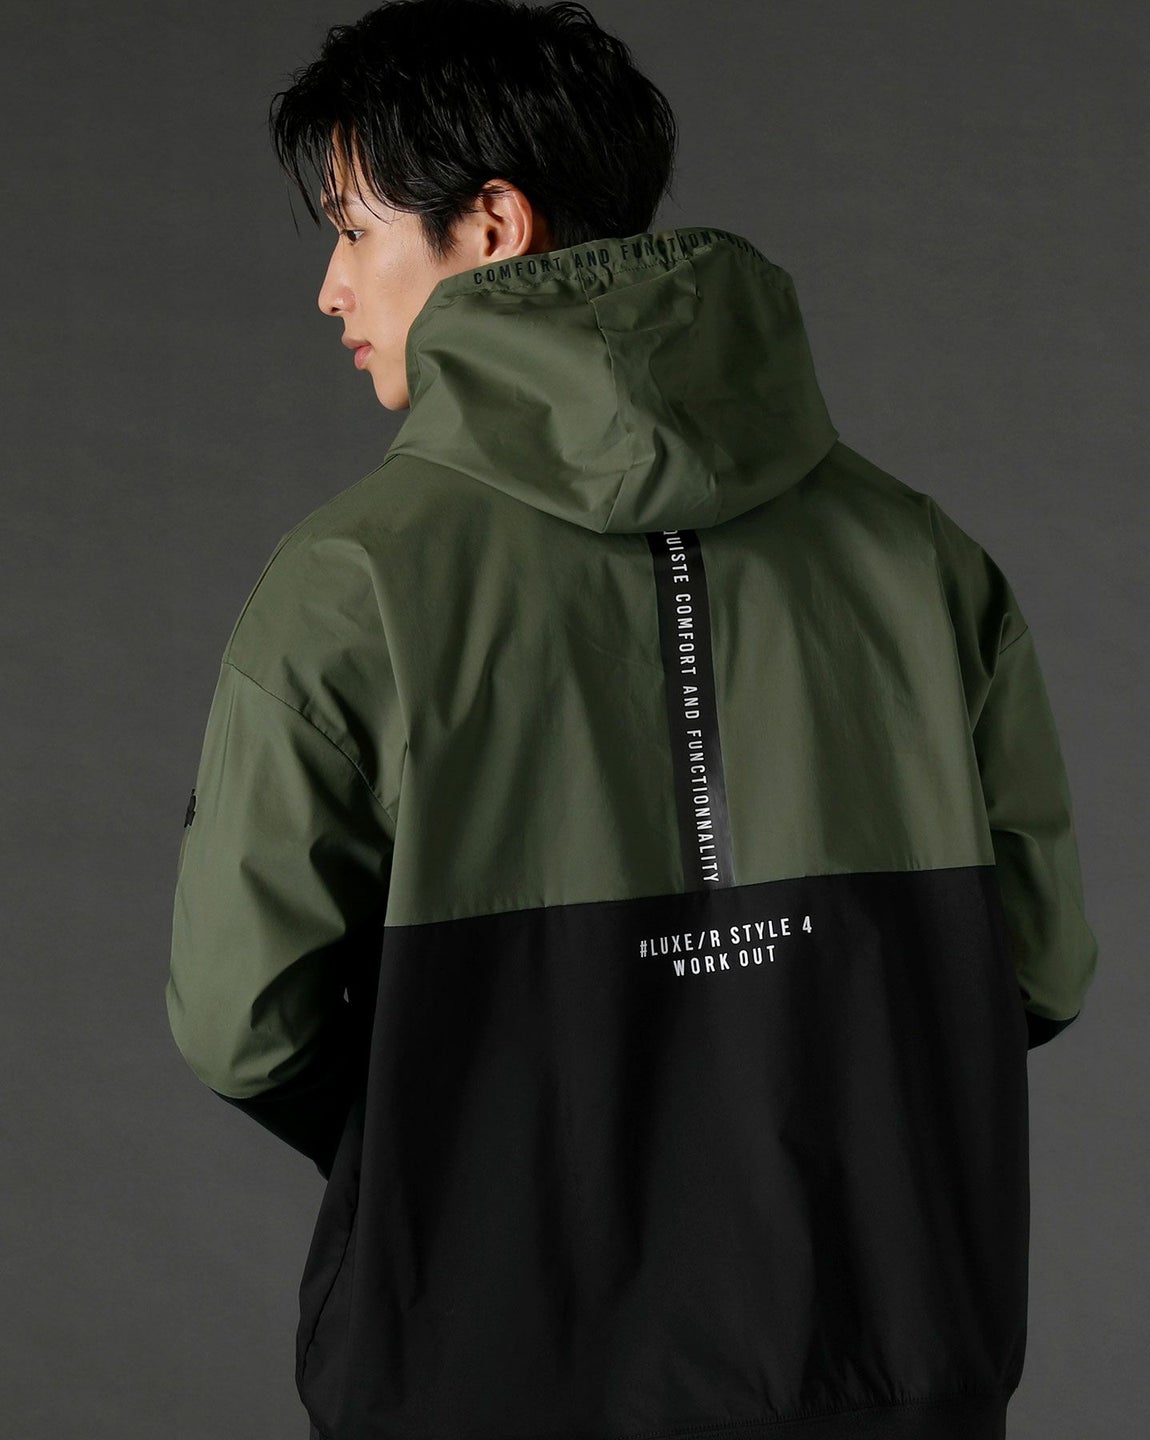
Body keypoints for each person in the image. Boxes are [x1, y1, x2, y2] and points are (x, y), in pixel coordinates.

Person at [164, 3, 1100, 1438]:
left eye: (352, 230)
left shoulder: (350, 585)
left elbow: (242, 1023)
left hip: (481, 1367)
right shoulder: (921, 559)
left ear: (493, 224)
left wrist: (471, 1114)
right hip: (883, 1358)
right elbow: (1038, 966)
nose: (330, 287)